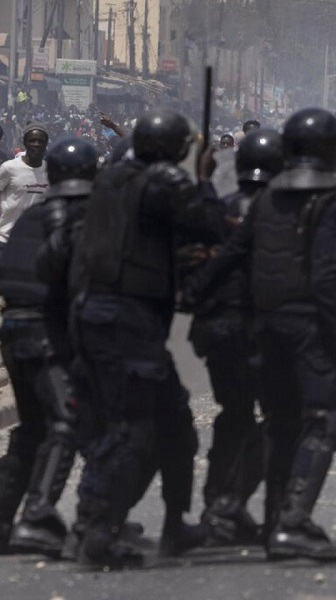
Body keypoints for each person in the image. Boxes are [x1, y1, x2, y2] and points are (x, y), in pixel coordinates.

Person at [183, 107, 336, 562]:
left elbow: (224, 256)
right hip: (293, 328)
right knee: (315, 423)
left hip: (254, 327)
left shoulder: (253, 203)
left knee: (267, 424)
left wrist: (193, 295)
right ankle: (284, 521)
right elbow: (328, 279)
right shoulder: (325, 203)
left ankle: (260, 519)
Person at [72, 109, 223, 568]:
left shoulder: (112, 179)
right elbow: (209, 223)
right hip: (126, 318)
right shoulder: (165, 182)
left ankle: (174, 527)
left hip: (104, 315)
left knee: (174, 426)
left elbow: (142, 236)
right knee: (131, 428)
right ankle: (96, 531)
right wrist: (202, 178)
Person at [0, 138, 97, 557]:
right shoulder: (78, 220)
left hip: (14, 331)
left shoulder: (31, 218)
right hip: (43, 334)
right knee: (67, 417)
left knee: (33, 429)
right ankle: (38, 514)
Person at [188, 129, 284, 546]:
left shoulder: (216, 209)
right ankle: (242, 507)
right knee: (280, 420)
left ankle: (220, 505)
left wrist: (204, 180)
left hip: (219, 331)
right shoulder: (282, 216)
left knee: (234, 416)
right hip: (263, 331)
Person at [0, 124, 50, 253]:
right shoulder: (9, 168)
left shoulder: (50, 171)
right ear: (25, 143)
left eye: (40, 141)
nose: (36, 144)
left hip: (36, 242)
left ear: (46, 144)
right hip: (6, 241)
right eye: (32, 141)